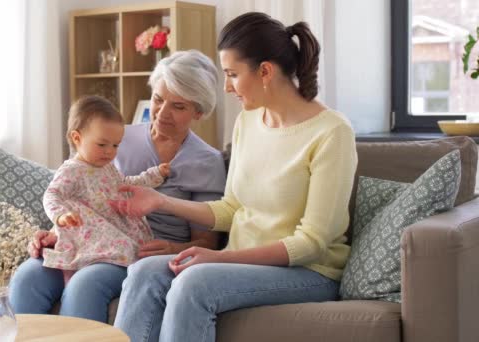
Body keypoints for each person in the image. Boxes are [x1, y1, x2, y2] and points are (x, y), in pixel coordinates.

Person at [110, 12, 358, 342]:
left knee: (194, 283)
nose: (226, 87)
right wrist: (160, 200)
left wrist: (220, 257)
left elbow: (311, 244)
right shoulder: (248, 121)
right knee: (144, 272)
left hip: (308, 272)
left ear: (265, 71)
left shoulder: (332, 132)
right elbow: (230, 209)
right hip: (239, 262)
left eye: (232, 74)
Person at [8, 49, 227, 323]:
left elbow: (208, 243)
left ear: (199, 111)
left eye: (178, 106)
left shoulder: (207, 161)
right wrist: (57, 230)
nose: (162, 113)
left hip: (140, 254)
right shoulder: (115, 137)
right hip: (91, 240)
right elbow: (83, 192)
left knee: (84, 285)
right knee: (27, 277)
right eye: (158, 99)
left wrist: (172, 248)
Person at [41, 95, 170, 285]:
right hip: (91, 233)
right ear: (77, 138)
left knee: (132, 247)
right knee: (124, 248)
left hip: (113, 229)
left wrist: (154, 174)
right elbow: (52, 194)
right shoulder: (72, 170)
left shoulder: (107, 167)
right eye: (102, 144)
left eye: (115, 145)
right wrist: (60, 215)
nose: (110, 151)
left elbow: (126, 184)